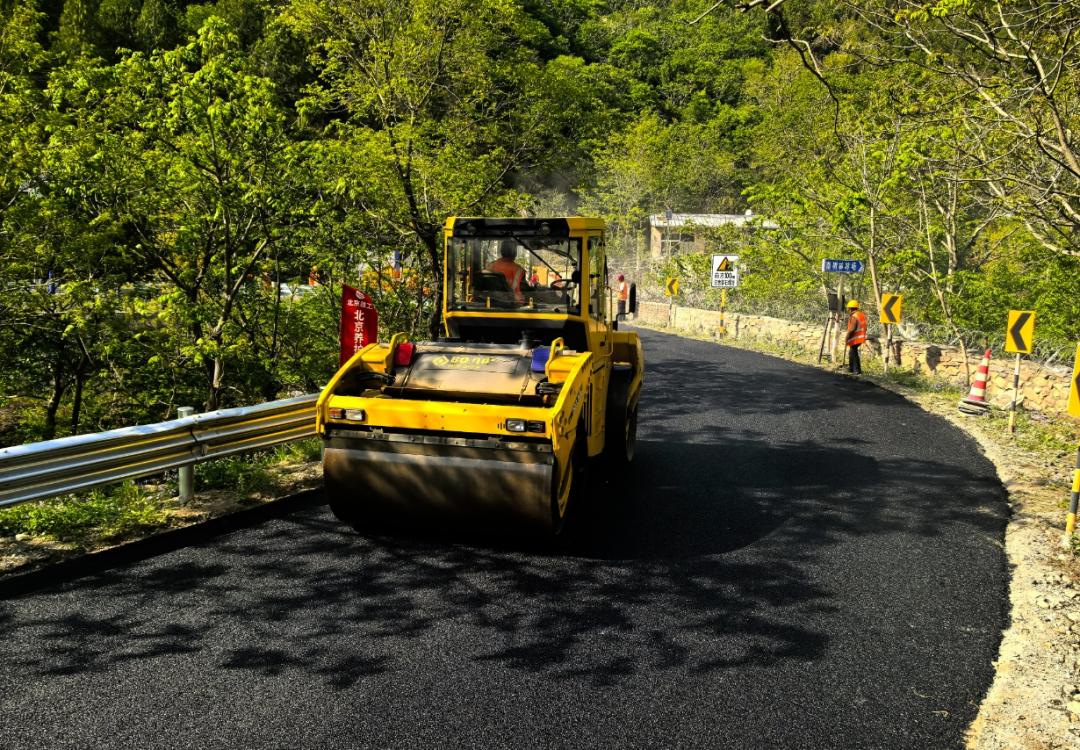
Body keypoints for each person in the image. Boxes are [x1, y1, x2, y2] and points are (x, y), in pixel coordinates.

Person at [487, 239, 527, 303]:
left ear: (502, 251)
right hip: (513, 305)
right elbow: (526, 291)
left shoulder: (490, 266)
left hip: (489, 303)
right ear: (515, 252)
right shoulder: (519, 270)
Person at [845, 299, 867, 375]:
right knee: (851, 352)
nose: (848, 309)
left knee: (854, 353)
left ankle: (857, 370)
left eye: (848, 308)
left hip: (856, 338)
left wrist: (847, 337)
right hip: (861, 337)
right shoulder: (861, 314)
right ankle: (851, 368)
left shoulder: (854, 316)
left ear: (851, 308)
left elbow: (852, 329)